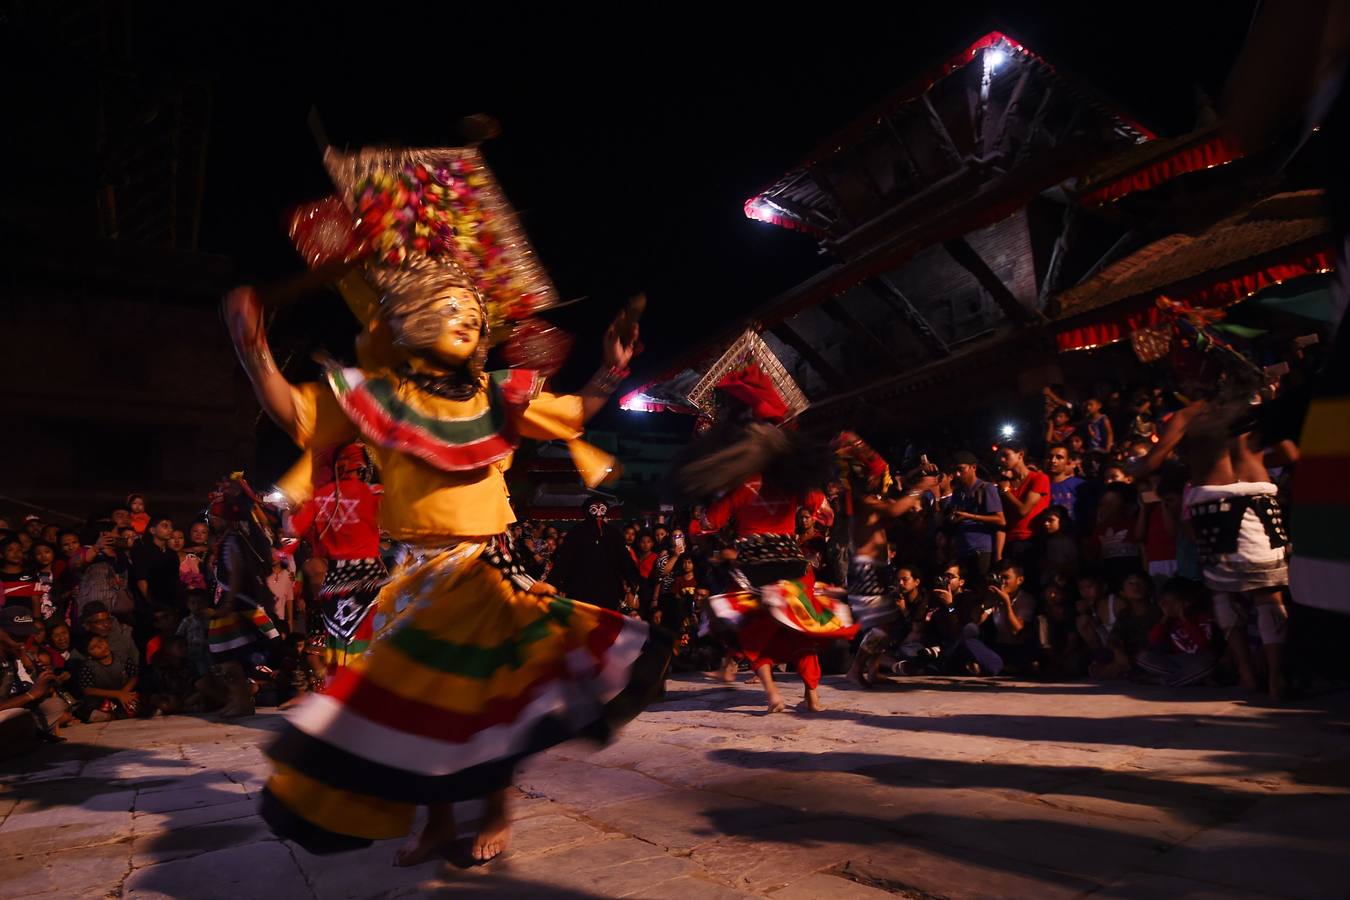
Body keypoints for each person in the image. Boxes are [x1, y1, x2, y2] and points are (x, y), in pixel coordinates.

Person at [226, 145, 666, 866]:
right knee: (425, 711)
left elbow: (578, 413)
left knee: (491, 705)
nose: (461, 314)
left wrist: (613, 370)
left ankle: (495, 805)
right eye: (442, 305)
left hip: (491, 572)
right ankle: (434, 820)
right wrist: (254, 353)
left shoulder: (505, 393)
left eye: (470, 308)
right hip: (412, 579)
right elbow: (298, 417)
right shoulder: (378, 397)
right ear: (401, 324)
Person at [680, 364, 846, 714]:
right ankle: (812, 695)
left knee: (756, 632)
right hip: (793, 563)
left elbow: (708, 524)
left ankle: (772, 696)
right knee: (801, 628)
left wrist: (702, 518)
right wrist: (809, 529)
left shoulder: (742, 486)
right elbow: (826, 513)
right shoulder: (795, 484)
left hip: (753, 567)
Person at [1134, 394, 1294, 698]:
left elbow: (1149, 465)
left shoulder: (1190, 414)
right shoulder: (1256, 409)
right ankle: (1276, 679)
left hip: (1213, 506)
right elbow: (1290, 453)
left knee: (1223, 595)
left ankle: (1247, 675)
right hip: (1258, 500)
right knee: (1269, 598)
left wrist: (1189, 458)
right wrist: (1255, 459)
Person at [288, 441, 388, 675]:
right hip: (368, 577)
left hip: (333, 578)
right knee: (366, 636)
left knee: (338, 637)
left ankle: (337, 691)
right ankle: (361, 694)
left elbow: (291, 528)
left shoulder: (318, 497)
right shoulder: (374, 493)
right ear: (361, 467)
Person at [549, 497, 639, 614]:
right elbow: (564, 560)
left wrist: (633, 580)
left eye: (601, 509)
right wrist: (553, 583)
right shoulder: (576, 532)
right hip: (581, 588)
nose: (598, 513)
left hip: (607, 589)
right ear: (587, 511)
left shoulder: (613, 533)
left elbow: (624, 559)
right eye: (594, 509)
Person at [1136, 577, 1217, 687]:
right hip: (1177, 661)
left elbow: (1203, 644)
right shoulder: (1168, 620)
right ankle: (1192, 678)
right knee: (1143, 657)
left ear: (1187, 603)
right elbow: (1153, 640)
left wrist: (1185, 620)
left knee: (1207, 663)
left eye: (1173, 603)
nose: (1168, 607)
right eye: (1165, 603)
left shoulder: (1202, 618)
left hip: (1198, 659)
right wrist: (1164, 618)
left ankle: (1165, 681)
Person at [994, 440, 1050, 579]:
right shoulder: (1006, 483)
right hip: (1010, 541)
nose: (1002, 459)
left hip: (1031, 539)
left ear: (1020, 455)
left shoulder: (1038, 478)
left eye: (1006, 455)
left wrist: (1005, 491)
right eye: (1000, 456)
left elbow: (1023, 510)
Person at [945, 451, 1004, 578]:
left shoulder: (986, 488)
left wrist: (969, 516)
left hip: (981, 549)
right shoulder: (958, 492)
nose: (957, 474)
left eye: (961, 469)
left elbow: (1000, 520)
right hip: (962, 549)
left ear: (973, 467)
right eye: (955, 470)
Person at [76, 634, 140, 720]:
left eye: (100, 641)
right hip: (106, 698)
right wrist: (117, 694)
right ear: (88, 655)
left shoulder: (122, 657)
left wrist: (123, 693)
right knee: (91, 704)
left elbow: (134, 676)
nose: (101, 646)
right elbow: (88, 690)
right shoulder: (88, 666)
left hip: (126, 694)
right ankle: (111, 716)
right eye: (94, 647)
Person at [1045, 443, 1085, 527]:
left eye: (1059, 457)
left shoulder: (1079, 485)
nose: (1053, 460)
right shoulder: (1038, 485)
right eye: (1050, 457)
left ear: (1068, 461)